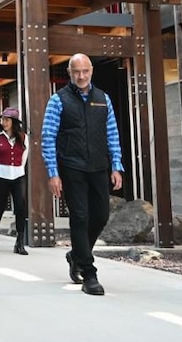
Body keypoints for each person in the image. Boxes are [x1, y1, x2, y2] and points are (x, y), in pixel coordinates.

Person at [42, 53, 124, 296]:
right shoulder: (58, 100)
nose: (81, 76)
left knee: (100, 216)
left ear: (91, 71)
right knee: (80, 216)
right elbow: (48, 138)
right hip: (72, 166)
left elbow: (112, 135)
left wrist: (116, 166)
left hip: (99, 166)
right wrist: (53, 173)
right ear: (69, 72)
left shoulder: (103, 99)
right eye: (76, 71)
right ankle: (89, 273)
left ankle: (77, 254)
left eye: (85, 71)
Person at [0, 107, 29, 255]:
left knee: (20, 206)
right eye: (3, 119)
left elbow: (24, 157)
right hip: (0, 175)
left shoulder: (23, 137)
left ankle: (20, 242)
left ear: (14, 122)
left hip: (17, 175)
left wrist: (17, 169)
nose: (4, 122)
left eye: (7, 119)